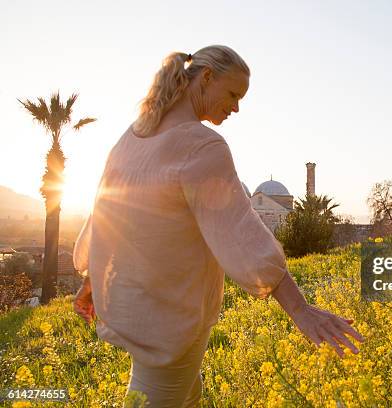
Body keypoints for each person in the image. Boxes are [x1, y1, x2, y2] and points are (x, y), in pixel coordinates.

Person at [72, 45, 364, 407]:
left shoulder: (132, 136)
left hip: (144, 314)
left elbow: (108, 214)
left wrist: (92, 280)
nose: (236, 108)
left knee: (186, 397)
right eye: (233, 94)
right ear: (206, 78)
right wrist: (301, 310)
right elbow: (243, 235)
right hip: (174, 323)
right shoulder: (203, 146)